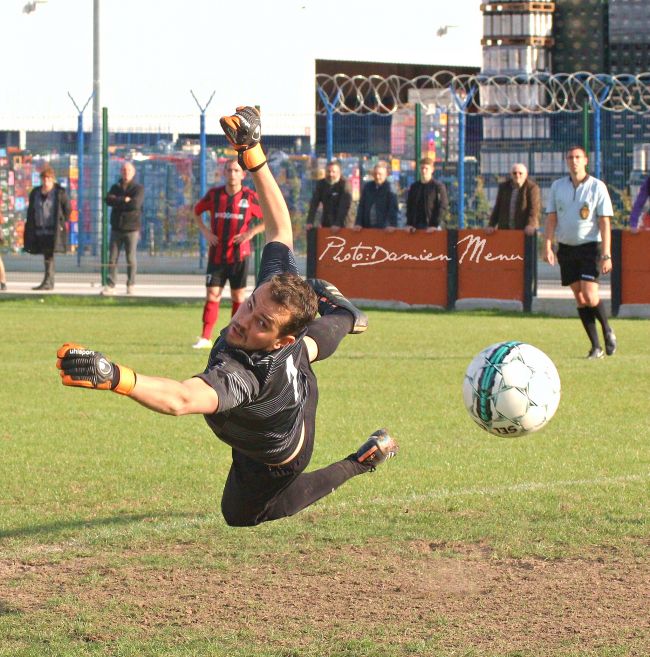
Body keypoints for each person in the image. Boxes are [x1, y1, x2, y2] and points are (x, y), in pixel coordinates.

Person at [56, 105, 398, 528]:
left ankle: (359, 462)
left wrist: (114, 376)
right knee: (306, 348)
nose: (245, 319)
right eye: (252, 305)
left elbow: (182, 399)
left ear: (277, 339)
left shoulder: (243, 374)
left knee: (242, 515)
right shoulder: (274, 296)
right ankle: (344, 316)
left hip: (277, 452)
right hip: (288, 379)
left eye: (262, 324)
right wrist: (253, 154)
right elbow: (280, 231)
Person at [543, 145, 617, 359]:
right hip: (566, 248)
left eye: (578, 157)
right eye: (570, 157)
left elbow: (604, 222)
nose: (574, 161)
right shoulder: (558, 186)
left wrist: (606, 254)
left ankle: (607, 330)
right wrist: (547, 245)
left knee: (590, 295)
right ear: (566, 161)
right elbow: (551, 218)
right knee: (579, 297)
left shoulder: (597, 187)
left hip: (590, 247)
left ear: (585, 161)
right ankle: (596, 347)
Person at [192, 159, 265, 349]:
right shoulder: (214, 195)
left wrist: (250, 233)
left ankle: (235, 338)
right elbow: (197, 211)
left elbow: (268, 217)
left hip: (239, 255)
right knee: (212, 294)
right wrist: (206, 232)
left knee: (238, 298)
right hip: (217, 254)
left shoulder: (249, 197)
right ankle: (205, 337)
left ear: (243, 175)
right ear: (224, 173)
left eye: (236, 170)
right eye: (229, 170)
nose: (232, 173)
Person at [24, 165, 70, 291]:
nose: (46, 181)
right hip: (39, 229)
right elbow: (31, 210)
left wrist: (61, 222)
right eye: (44, 178)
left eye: (49, 179)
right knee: (46, 256)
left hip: (53, 230)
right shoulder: (36, 193)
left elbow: (67, 209)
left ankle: (48, 282)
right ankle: (47, 281)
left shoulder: (59, 192)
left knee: (49, 255)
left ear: (53, 179)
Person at [102, 162, 144, 295]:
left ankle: (130, 284)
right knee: (112, 257)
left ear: (133, 173)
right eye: (124, 170)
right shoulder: (116, 186)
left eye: (129, 171)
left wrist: (119, 202)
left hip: (131, 228)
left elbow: (135, 204)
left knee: (130, 257)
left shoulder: (138, 188)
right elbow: (108, 200)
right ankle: (111, 284)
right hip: (116, 228)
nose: (126, 173)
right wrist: (123, 200)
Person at [486, 163, 540, 236]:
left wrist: (530, 224)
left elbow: (534, 209)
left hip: (525, 230)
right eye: (514, 173)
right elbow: (497, 207)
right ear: (511, 175)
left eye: (520, 173)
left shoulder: (532, 188)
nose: (517, 175)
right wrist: (491, 225)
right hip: (505, 230)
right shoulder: (503, 187)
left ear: (526, 175)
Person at [305, 160, 352, 232]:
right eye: (328, 171)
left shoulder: (345, 185)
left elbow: (344, 206)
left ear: (339, 173)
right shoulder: (321, 184)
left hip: (343, 226)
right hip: (326, 224)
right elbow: (314, 204)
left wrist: (337, 224)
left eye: (333, 172)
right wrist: (310, 221)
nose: (330, 174)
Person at [405, 157, 449, 232]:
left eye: (426, 168)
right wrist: (409, 224)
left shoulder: (438, 187)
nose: (424, 171)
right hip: (415, 228)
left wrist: (434, 225)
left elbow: (443, 206)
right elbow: (409, 206)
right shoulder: (414, 187)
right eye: (422, 168)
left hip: (433, 228)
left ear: (432, 170)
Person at [353, 161, 399, 231]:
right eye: (375, 174)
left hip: (384, 229)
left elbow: (393, 209)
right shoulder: (367, 187)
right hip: (367, 228)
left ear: (386, 175)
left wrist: (391, 225)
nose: (377, 177)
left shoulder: (391, 188)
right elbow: (361, 206)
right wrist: (358, 223)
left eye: (380, 174)